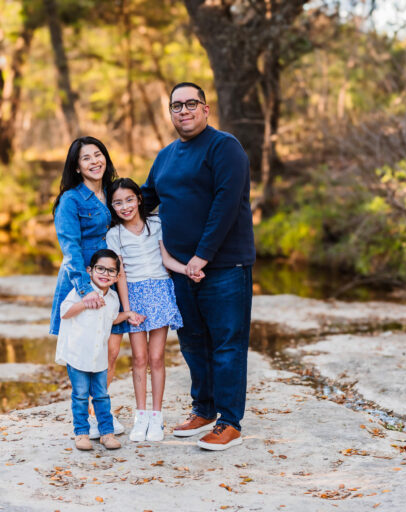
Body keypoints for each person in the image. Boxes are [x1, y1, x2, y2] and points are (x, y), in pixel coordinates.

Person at [141, 82, 255, 451]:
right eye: (177, 105)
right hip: (179, 270)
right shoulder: (166, 157)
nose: (184, 110)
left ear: (205, 109)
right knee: (192, 343)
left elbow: (226, 203)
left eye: (191, 103)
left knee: (226, 344)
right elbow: (143, 200)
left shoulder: (225, 147)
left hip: (223, 266)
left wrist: (200, 257)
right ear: (170, 112)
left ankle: (229, 421)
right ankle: (203, 409)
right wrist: (103, 200)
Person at [105, 178, 198, 442]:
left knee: (157, 358)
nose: (125, 207)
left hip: (159, 291)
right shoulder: (115, 234)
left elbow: (166, 259)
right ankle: (141, 416)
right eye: (118, 202)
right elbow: (120, 274)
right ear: (112, 206)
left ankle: (156, 417)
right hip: (134, 295)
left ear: (139, 199)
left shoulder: (156, 224)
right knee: (139, 358)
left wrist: (187, 269)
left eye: (129, 200)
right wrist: (127, 309)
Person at [49, 136, 131, 438]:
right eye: (86, 158)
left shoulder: (113, 193)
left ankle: (100, 413)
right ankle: (87, 419)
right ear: (77, 166)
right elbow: (70, 250)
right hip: (82, 282)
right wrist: (86, 292)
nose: (95, 161)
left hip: (112, 279)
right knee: (85, 353)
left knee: (109, 353)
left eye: (99, 155)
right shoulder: (71, 200)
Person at [55, 249, 132, 451]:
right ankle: (82, 433)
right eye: (100, 269)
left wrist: (128, 314)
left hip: (99, 358)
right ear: (89, 270)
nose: (105, 274)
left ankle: (106, 433)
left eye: (111, 271)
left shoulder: (114, 298)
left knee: (101, 396)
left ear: (117, 276)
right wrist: (84, 302)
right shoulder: (80, 292)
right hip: (78, 355)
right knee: (80, 395)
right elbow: (64, 313)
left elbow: (111, 319)